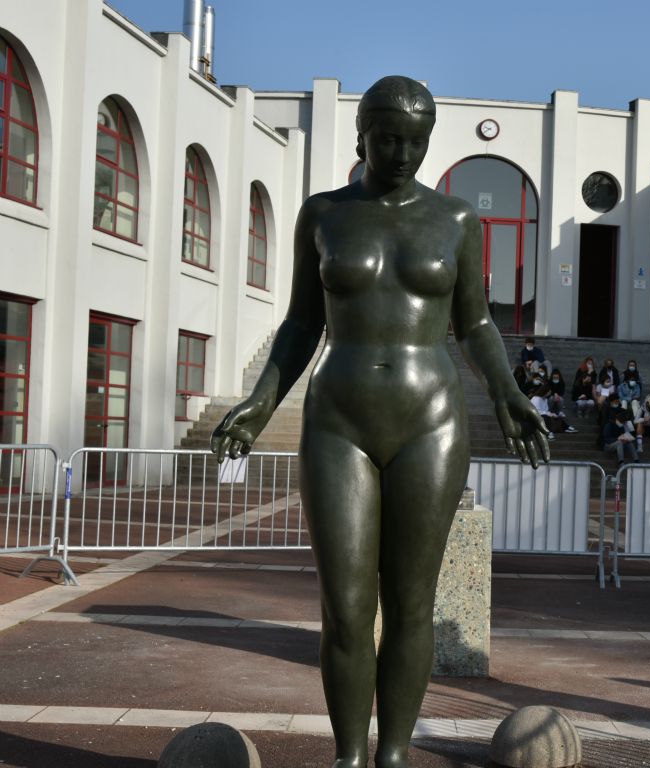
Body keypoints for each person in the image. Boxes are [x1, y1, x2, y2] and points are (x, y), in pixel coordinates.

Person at [209, 77, 549, 768]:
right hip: (339, 421)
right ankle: (348, 757)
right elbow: (302, 322)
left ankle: (392, 753)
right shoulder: (323, 215)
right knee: (346, 603)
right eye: (389, 138)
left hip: (432, 421)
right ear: (362, 134)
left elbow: (475, 323)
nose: (402, 154)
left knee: (412, 601)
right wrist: (259, 403)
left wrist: (510, 393)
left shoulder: (455, 220)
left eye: (417, 142)